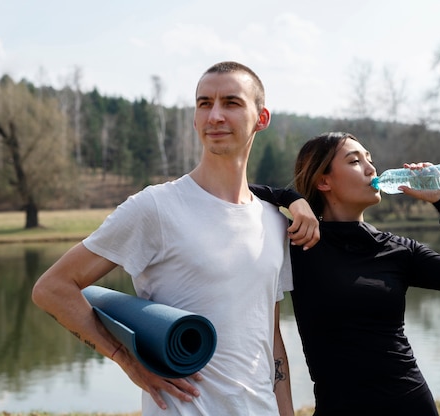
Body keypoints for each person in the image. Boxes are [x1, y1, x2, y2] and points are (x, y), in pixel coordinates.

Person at [31, 61, 319, 416]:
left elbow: (271, 340)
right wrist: (127, 360)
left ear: (261, 118)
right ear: (195, 118)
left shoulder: (274, 222)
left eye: (231, 102)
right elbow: (53, 289)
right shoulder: (156, 207)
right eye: (204, 103)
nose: (214, 115)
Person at [253, 131, 440, 415]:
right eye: (355, 161)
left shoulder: (399, 250)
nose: (371, 169)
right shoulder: (300, 242)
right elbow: (227, 193)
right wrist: (291, 198)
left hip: (411, 404)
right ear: (323, 181)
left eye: (370, 160)